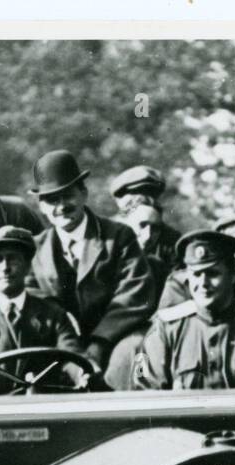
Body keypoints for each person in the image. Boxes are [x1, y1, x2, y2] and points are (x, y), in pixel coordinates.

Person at [26, 149, 158, 379]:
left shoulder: (118, 237)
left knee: (131, 355)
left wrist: (99, 344)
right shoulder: (34, 249)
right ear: (41, 206)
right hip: (60, 345)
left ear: (83, 193)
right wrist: (72, 351)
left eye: (67, 195)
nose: (61, 206)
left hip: (116, 338)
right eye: (52, 200)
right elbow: (33, 299)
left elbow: (134, 294)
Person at [0, 226, 86, 395]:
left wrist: (79, 373)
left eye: (12, 259)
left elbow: (71, 355)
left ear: (26, 267)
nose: (5, 267)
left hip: (44, 407)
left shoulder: (53, 313)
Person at [132, 230, 235, 390]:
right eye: (196, 274)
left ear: (233, 275)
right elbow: (147, 394)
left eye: (212, 274)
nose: (203, 283)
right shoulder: (165, 329)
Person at [110, 165, 180, 270]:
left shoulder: (172, 241)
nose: (147, 236)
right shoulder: (104, 237)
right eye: (142, 225)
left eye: (154, 228)